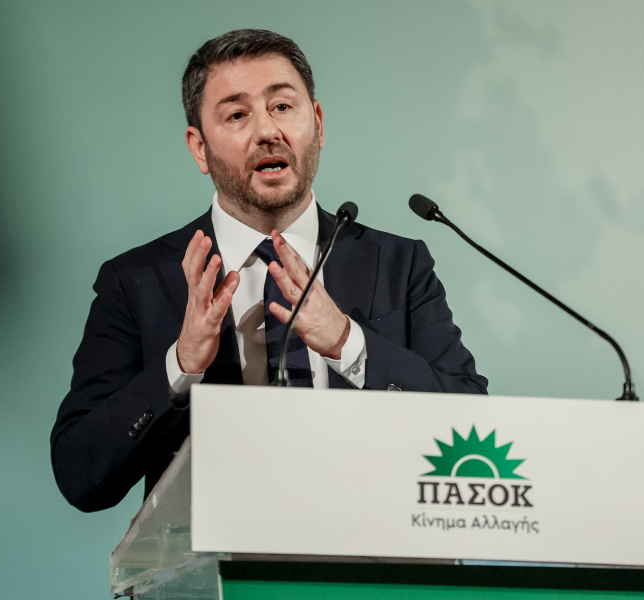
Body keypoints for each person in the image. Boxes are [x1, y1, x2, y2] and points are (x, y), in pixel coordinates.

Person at [51, 29, 487, 513]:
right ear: (199, 148)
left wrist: (349, 343)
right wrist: (181, 364)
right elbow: (80, 475)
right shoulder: (138, 281)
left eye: (282, 106)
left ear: (317, 123)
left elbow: (471, 425)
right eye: (237, 115)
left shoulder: (399, 265)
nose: (267, 131)